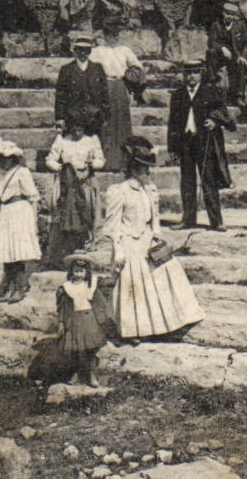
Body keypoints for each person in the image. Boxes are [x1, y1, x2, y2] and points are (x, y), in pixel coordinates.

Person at [98, 137, 205, 339]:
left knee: (166, 274)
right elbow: (113, 225)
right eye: (143, 168)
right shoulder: (118, 191)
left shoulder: (150, 189)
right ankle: (133, 330)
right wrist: (118, 250)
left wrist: (157, 234)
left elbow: (155, 217)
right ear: (132, 169)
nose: (147, 172)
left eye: (147, 168)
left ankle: (172, 322)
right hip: (128, 242)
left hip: (147, 240)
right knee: (133, 285)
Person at [167, 59, 235, 231]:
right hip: (185, 142)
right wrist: (172, 147)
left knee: (209, 180)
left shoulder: (211, 92)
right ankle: (188, 219)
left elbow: (224, 113)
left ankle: (216, 221)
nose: (191, 76)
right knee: (187, 181)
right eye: (188, 73)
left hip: (205, 142)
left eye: (195, 72)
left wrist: (214, 121)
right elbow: (172, 122)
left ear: (201, 74)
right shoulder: (178, 94)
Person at [44, 115, 105, 268]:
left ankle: (86, 245)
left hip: (85, 181)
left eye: (80, 130)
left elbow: (100, 160)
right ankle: (63, 250)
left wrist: (92, 165)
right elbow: (50, 160)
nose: (77, 133)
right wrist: (62, 168)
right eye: (74, 130)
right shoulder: (62, 140)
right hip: (67, 181)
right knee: (63, 211)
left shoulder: (91, 140)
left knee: (87, 210)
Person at [0, 137, 40, 301]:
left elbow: (33, 197)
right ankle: (9, 288)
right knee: (5, 251)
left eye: (3, 158)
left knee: (17, 252)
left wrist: (34, 221)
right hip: (5, 212)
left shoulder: (22, 172)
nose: (0, 162)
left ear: (12, 158)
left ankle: (19, 288)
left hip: (19, 211)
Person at [89, 27, 145, 169]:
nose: (113, 37)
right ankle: (105, 160)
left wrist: (131, 75)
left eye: (115, 34)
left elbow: (138, 67)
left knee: (121, 122)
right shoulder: (97, 51)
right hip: (103, 86)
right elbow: (89, 68)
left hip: (120, 86)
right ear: (104, 35)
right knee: (105, 122)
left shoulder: (124, 50)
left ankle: (123, 161)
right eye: (109, 34)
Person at [56, 257, 110, 387]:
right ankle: (76, 374)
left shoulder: (90, 285)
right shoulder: (66, 288)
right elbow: (62, 308)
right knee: (74, 350)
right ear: (71, 272)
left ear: (86, 272)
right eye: (76, 271)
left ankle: (92, 375)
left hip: (89, 320)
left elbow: (101, 299)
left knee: (90, 350)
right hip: (73, 321)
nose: (78, 274)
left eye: (81, 271)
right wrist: (61, 322)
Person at [54, 32, 108, 136]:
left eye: (86, 50)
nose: (83, 53)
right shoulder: (67, 70)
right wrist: (60, 118)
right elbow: (60, 96)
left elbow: (104, 93)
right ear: (75, 50)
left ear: (90, 51)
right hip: (73, 117)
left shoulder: (97, 69)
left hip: (94, 116)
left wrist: (105, 115)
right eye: (79, 50)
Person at [206, 0, 247, 109]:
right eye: (227, 14)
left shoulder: (240, 25)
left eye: (232, 14)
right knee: (211, 52)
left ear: (235, 15)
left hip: (235, 56)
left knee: (242, 65)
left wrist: (243, 56)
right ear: (223, 13)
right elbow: (211, 41)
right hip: (220, 57)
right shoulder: (216, 25)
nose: (229, 17)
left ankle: (240, 96)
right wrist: (222, 48)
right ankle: (212, 85)